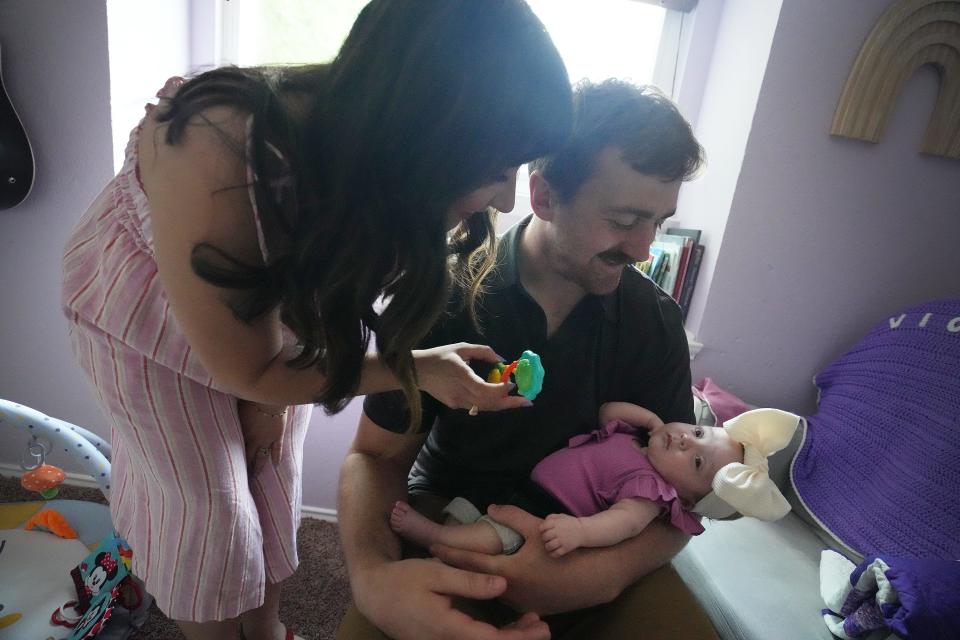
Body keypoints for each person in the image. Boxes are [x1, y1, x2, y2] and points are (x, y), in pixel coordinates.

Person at [60, 2, 573, 639]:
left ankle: (269, 629)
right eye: (498, 167)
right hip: (144, 321)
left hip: (270, 329)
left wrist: (281, 397)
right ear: (429, 131)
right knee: (208, 508)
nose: (506, 198)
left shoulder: (381, 175)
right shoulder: (217, 148)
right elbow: (253, 367)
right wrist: (409, 371)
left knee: (271, 474)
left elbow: (299, 325)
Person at [338, 80, 714, 640]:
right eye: (623, 220)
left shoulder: (654, 322)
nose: (643, 249)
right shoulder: (441, 293)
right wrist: (371, 577)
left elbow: (681, 499)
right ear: (542, 197)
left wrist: (600, 575)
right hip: (452, 519)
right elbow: (374, 458)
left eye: (658, 222)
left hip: (597, 538)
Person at [390, 403, 800, 558]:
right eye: (696, 433)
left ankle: (431, 537)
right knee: (472, 505)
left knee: (493, 536)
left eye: (695, 463)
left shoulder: (650, 492)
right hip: (519, 481)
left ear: (687, 500)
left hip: (546, 510)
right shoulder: (636, 438)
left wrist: (579, 531)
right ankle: (448, 533)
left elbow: (619, 524)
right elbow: (607, 412)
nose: (683, 440)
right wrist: (654, 423)